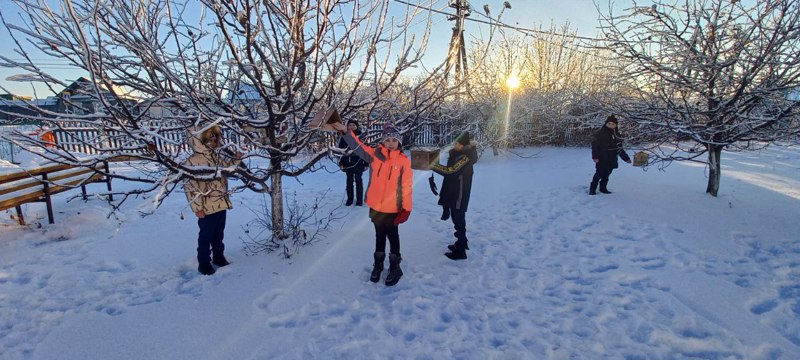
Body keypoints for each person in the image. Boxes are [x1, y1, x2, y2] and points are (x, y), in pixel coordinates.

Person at [333, 121, 413, 286]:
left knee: (393, 236)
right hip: (376, 207)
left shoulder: (403, 161)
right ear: (383, 141)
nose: (391, 142)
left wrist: (406, 208)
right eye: (388, 139)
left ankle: (395, 266)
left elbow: (406, 186)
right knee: (379, 236)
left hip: (393, 208)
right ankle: (378, 265)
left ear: (399, 142)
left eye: (394, 140)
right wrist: (346, 133)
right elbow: (358, 146)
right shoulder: (375, 155)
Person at [183, 124, 242, 275]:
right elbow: (190, 187)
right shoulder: (192, 162)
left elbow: (226, 170)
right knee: (205, 236)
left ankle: (218, 257)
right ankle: (203, 263)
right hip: (206, 207)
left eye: (214, 138)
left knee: (218, 234)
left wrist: (236, 159)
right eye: (209, 139)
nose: (212, 142)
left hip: (220, 203)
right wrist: (198, 208)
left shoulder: (216, 157)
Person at [430, 131, 478, 260]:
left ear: (463, 145)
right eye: (455, 143)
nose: (455, 145)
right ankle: (460, 243)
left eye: (457, 143)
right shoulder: (457, 154)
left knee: (458, 220)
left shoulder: (465, 157)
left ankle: (461, 250)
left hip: (459, 194)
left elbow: (450, 172)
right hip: (454, 191)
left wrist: (433, 166)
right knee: (457, 219)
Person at [590, 115, 631, 195]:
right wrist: (595, 157)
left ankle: (603, 188)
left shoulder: (617, 135)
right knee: (598, 174)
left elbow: (619, 148)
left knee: (606, 175)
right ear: (606, 124)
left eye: (613, 124)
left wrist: (626, 158)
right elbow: (595, 146)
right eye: (609, 123)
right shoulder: (600, 134)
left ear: (616, 125)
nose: (611, 125)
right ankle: (592, 189)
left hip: (612, 159)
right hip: (602, 158)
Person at [337, 120, 368, 206]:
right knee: (349, 182)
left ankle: (359, 201)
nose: (351, 127)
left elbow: (365, 150)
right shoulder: (343, 136)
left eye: (353, 125)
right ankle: (350, 199)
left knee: (358, 181)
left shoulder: (360, 136)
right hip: (347, 162)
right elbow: (340, 150)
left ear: (357, 126)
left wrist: (366, 163)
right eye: (349, 125)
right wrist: (341, 162)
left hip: (358, 162)